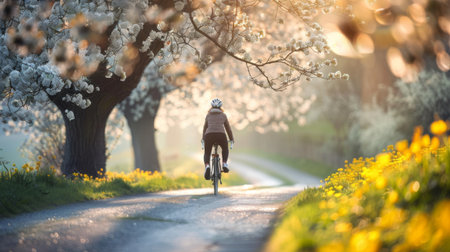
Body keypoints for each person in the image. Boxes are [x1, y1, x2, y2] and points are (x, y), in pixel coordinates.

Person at [202, 98, 234, 180]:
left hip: (209, 135)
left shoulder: (208, 115)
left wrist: (203, 139)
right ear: (220, 107)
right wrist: (231, 139)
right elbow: (228, 128)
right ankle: (224, 164)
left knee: (207, 152)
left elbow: (205, 127)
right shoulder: (223, 115)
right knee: (225, 148)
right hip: (221, 135)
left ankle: (207, 166)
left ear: (211, 107)